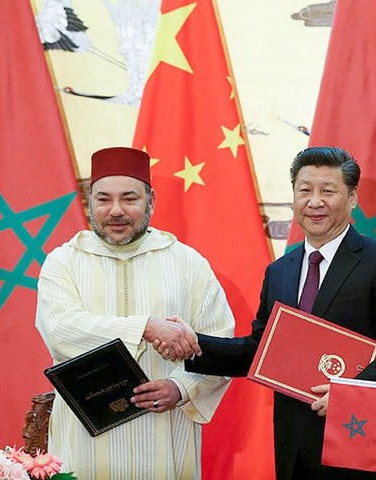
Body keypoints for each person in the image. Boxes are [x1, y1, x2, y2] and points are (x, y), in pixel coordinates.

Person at [155, 146, 376, 479]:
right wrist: (193, 344)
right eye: (305, 190)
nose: (315, 202)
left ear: (352, 198)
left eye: (328, 191)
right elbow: (260, 350)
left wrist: (353, 392)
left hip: (362, 438)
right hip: (295, 446)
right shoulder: (280, 271)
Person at [35, 146, 234, 480]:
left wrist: (181, 388)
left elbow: (221, 345)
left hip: (166, 436)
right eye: (103, 199)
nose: (116, 211)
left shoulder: (188, 264)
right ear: (89, 202)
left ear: (150, 201)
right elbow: (60, 331)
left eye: (129, 199)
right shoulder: (63, 262)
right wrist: (146, 327)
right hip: (85, 446)